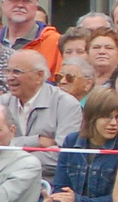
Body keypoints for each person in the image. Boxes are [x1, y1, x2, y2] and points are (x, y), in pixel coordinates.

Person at [3, 49, 82, 180]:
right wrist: (36, 141)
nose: (9, 77)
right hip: (5, 180)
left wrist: (13, 158)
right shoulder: (2, 104)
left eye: (17, 72)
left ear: (39, 76)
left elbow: (63, 156)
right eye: (8, 71)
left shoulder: (66, 104)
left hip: (48, 185)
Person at [0, 0, 61, 76]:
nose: (20, 5)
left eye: (27, 1)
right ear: (3, 5)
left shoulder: (54, 41)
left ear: (36, 7)